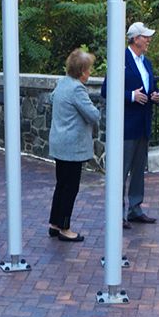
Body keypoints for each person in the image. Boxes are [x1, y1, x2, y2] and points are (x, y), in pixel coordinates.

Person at [101, 21, 159, 229]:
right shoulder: (121, 60)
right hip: (126, 126)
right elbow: (106, 91)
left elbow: (151, 88)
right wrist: (130, 96)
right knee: (121, 171)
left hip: (143, 125)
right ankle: (117, 214)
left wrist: (157, 96)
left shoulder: (147, 63)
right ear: (135, 39)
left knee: (138, 170)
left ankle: (135, 209)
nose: (149, 40)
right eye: (145, 37)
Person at [48, 49, 100, 242]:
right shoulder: (77, 89)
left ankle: (54, 223)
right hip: (72, 147)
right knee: (70, 188)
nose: (90, 73)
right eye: (88, 70)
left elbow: (52, 99)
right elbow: (93, 115)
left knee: (61, 185)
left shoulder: (62, 83)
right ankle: (65, 228)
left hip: (60, 143)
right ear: (81, 71)